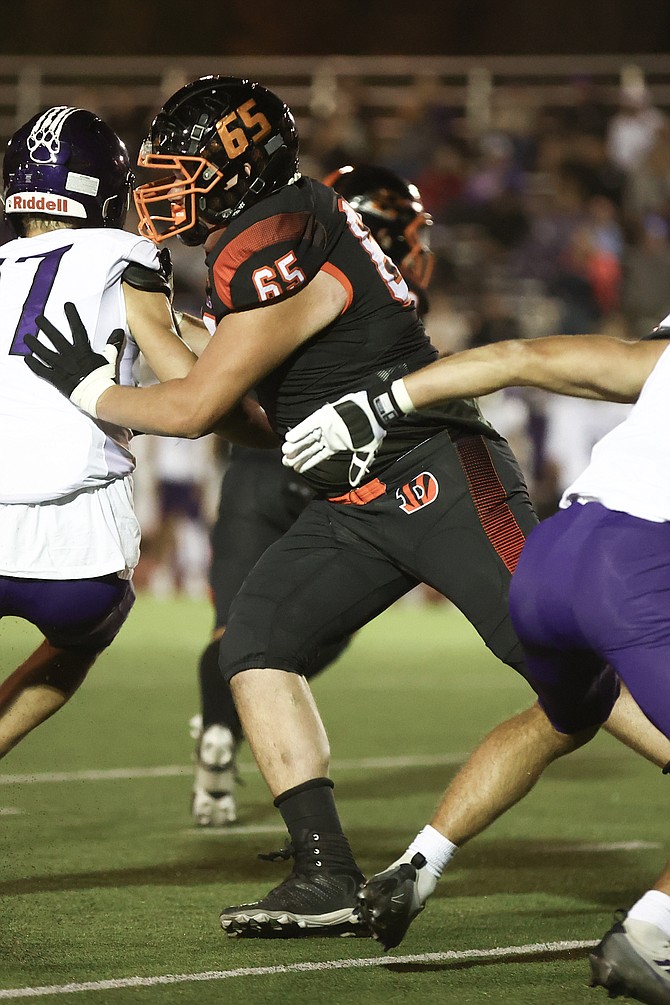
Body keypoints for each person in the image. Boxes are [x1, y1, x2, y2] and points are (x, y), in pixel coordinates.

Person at [24, 76, 670, 945]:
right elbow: (252, 419)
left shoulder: (276, 234)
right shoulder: (262, 232)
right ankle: (325, 870)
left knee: (565, 659)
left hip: (434, 469)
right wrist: (163, 337)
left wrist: (93, 388)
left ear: (236, 166)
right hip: (351, 497)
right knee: (256, 642)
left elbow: (195, 410)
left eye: (181, 169)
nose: (161, 189)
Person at [282, 321, 670, 1002]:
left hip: (554, 555)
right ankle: (651, 935)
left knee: (560, 716)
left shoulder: (658, 357)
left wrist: (380, 402)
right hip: (636, 566)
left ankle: (418, 864)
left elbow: (518, 355)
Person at [0, 103, 273, 764]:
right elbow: (196, 388)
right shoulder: (126, 256)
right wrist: (271, 429)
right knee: (80, 637)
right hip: (79, 552)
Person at [190, 162, 434, 827]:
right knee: (303, 621)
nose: (419, 250)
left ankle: (220, 725)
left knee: (241, 626)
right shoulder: (359, 281)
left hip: (261, 462)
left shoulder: (270, 263)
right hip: (344, 468)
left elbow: (224, 368)